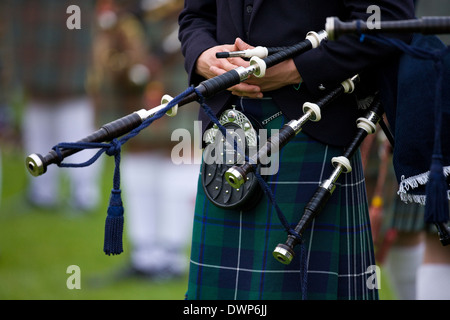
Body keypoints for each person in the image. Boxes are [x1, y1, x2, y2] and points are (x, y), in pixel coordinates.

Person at [178, 1, 415, 299]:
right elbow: (196, 16)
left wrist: (295, 69)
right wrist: (203, 57)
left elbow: (387, 20)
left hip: (312, 126)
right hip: (226, 133)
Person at [9, 0, 102, 212]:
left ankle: (84, 194)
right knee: (37, 119)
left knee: (77, 128)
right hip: (36, 45)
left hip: (73, 50)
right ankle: (41, 192)